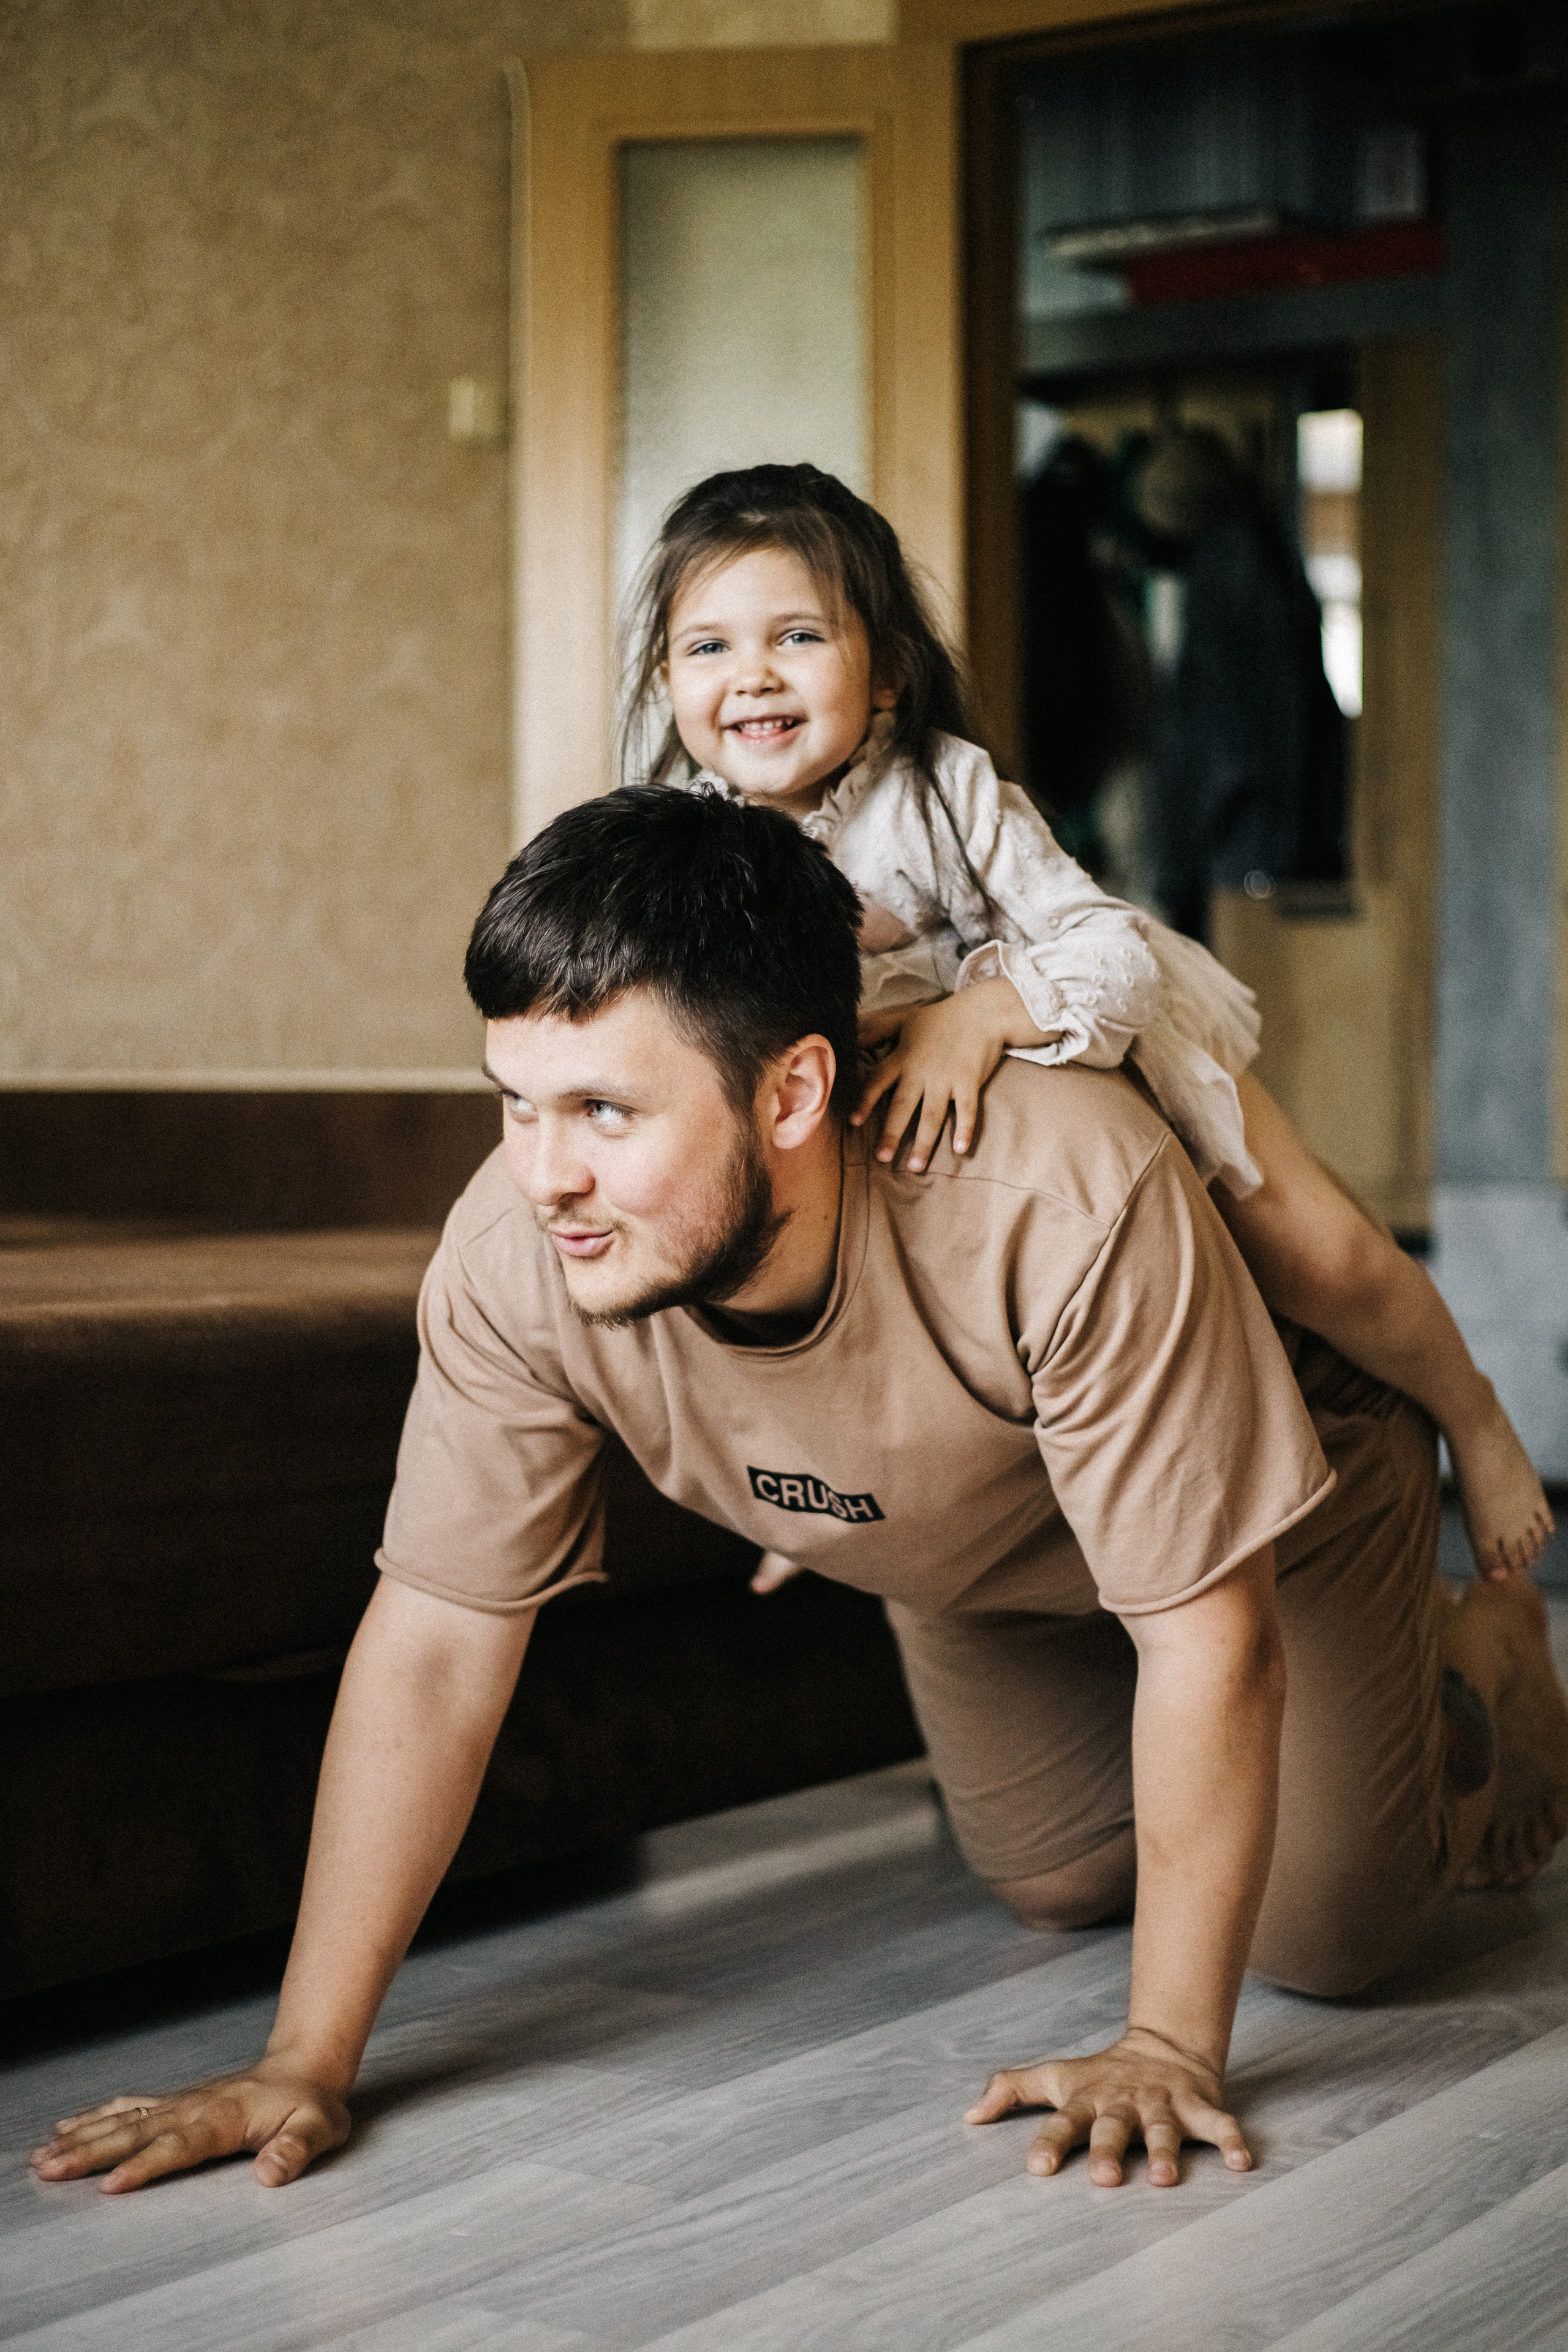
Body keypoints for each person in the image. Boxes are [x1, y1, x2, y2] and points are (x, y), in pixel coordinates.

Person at [32, 788, 1568, 2199]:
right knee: (1053, 1883)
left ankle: (1466, 1656)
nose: (543, 1172)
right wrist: (306, 2060)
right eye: (516, 1101)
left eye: (606, 1115)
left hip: (1265, 1514)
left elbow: (1204, 1637)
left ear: (792, 1093)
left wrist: (1164, 2046)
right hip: (968, 1545)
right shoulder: (515, 1254)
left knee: (1324, 1941)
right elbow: (436, 1638)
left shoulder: (1054, 1194)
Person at [621, 462, 1552, 1586]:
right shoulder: (684, 833)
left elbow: (1109, 949)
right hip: (872, 1116)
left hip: (1085, 1025)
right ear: (667, 677)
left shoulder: (944, 793)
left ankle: (1477, 1414)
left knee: (1320, 1250)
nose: (752, 676)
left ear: (887, 678)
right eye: (708, 648)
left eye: (798, 638)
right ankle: (805, 1493)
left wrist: (978, 1016)